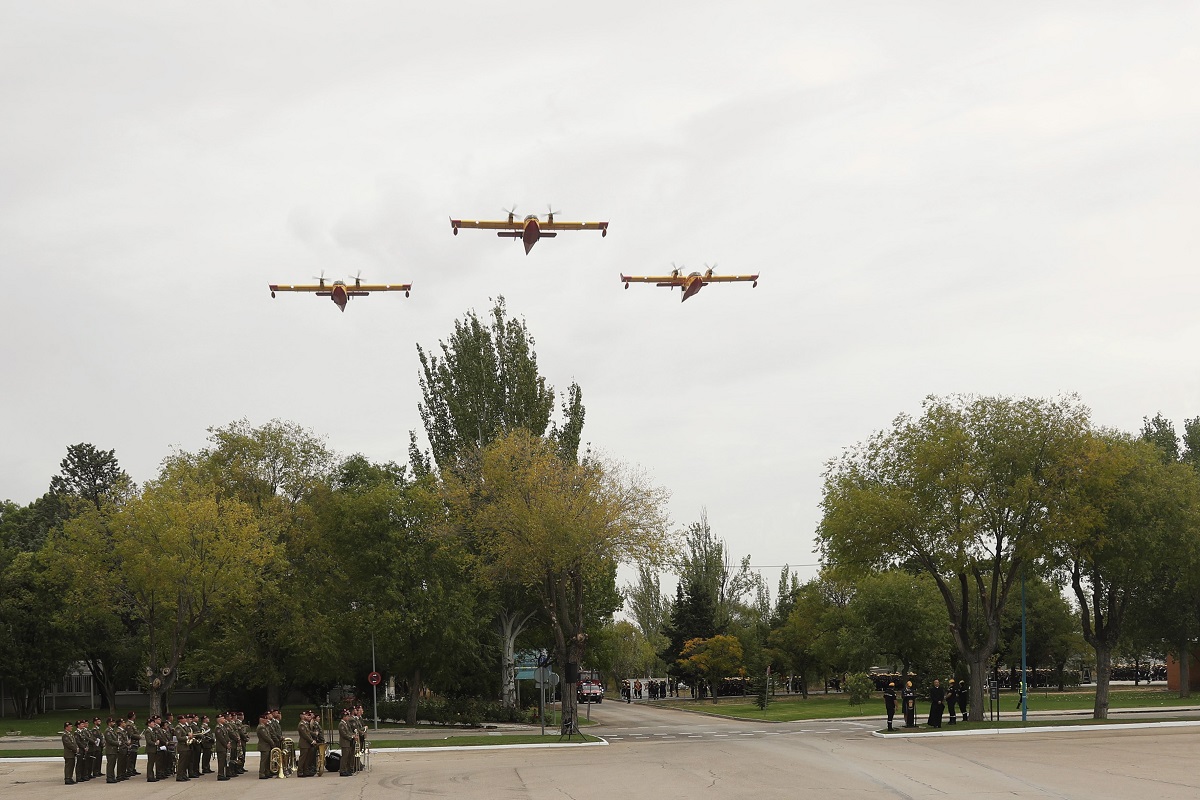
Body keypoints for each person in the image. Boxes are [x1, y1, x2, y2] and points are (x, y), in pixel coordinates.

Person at [214, 712, 232, 781]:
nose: (224, 719)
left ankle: (223, 774)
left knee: (224, 761)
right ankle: (220, 775)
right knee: (221, 762)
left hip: (224, 747)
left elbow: (226, 736)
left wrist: (229, 742)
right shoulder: (218, 728)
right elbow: (221, 738)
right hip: (221, 747)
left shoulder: (223, 727)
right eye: (223, 718)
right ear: (219, 719)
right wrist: (226, 744)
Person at [338, 709, 356, 777]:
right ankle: (342, 770)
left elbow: (348, 732)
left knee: (347, 757)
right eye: (347, 716)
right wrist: (351, 737)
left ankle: (346, 769)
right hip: (344, 743)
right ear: (344, 717)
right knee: (344, 757)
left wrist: (353, 735)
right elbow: (344, 734)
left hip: (347, 743)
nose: (348, 718)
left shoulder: (345, 724)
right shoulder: (341, 724)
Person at [256, 712, 273, 779]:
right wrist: (272, 743)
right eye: (266, 720)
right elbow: (266, 737)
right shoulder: (261, 727)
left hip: (266, 746)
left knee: (266, 761)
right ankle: (262, 773)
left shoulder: (264, 727)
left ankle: (266, 772)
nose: (267, 721)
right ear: (263, 720)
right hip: (264, 746)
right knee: (263, 761)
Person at [63, 721, 79, 785]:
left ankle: (70, 777)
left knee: (72, 766)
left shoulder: (70, 734)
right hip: (68, 753)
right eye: (70, 726)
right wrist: (75, 749)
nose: (71, 727)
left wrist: (76, 748)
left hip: (72, 753)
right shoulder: (65, 735)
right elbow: (69, 744)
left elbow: (74, 743)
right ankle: (67, 778)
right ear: (66, 727)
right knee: (68, 766)